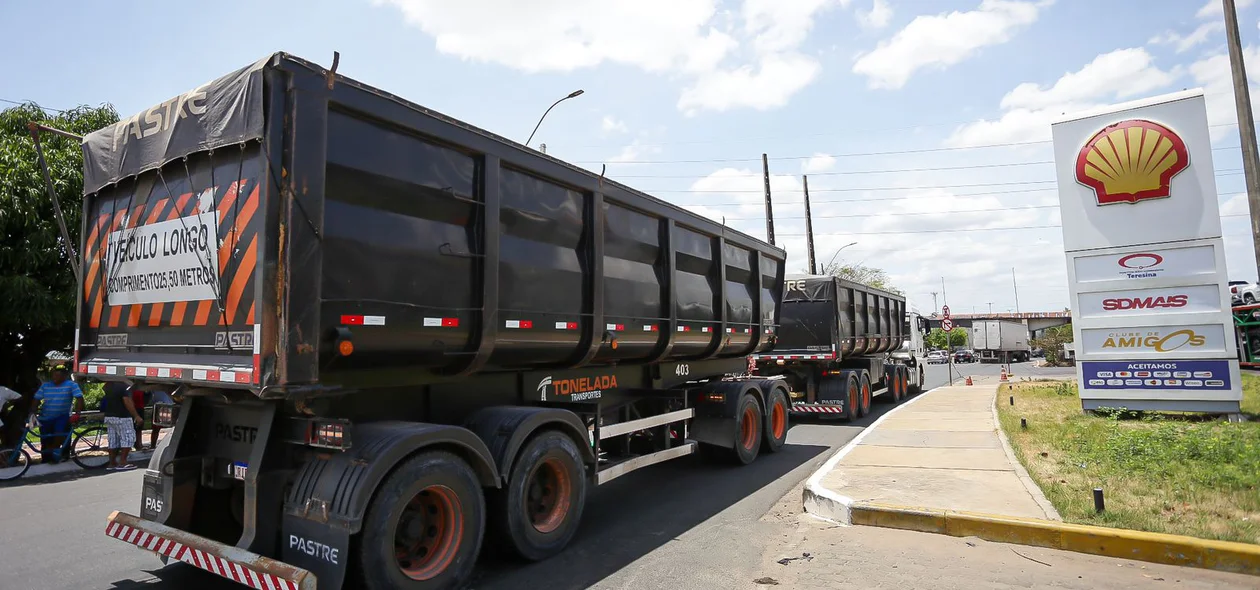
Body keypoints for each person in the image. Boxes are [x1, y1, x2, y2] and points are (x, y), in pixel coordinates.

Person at [30, 365, 85, 464]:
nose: (55, 378)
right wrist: (33, 412)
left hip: (62, 415)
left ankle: (63, 454)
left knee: (61, 434)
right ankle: (46, 458)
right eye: (54, 376)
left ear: (64, 376)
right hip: (46, 416)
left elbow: (79, 398)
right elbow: (36, 398)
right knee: (45, 438)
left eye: (58, 376)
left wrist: (77, 413)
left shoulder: (71, 385)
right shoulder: (46, 386)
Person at [101, 381, 143, 470]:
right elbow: (127, 400)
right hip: (122, 416)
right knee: (128, 438)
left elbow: (104, 388)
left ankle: (112, 463)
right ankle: (123, 462)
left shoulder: (110, 385)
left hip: (109, 415)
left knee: (113, 440)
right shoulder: (125, 387)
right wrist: (136, 416)